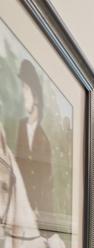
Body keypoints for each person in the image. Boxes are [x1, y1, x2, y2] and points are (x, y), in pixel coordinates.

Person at [14, 58, 51, 234]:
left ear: (35, 96)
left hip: (33, 218)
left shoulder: (44, 142)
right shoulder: (19, 128)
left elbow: (45, 185)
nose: (23, 94)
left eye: (26, 89)